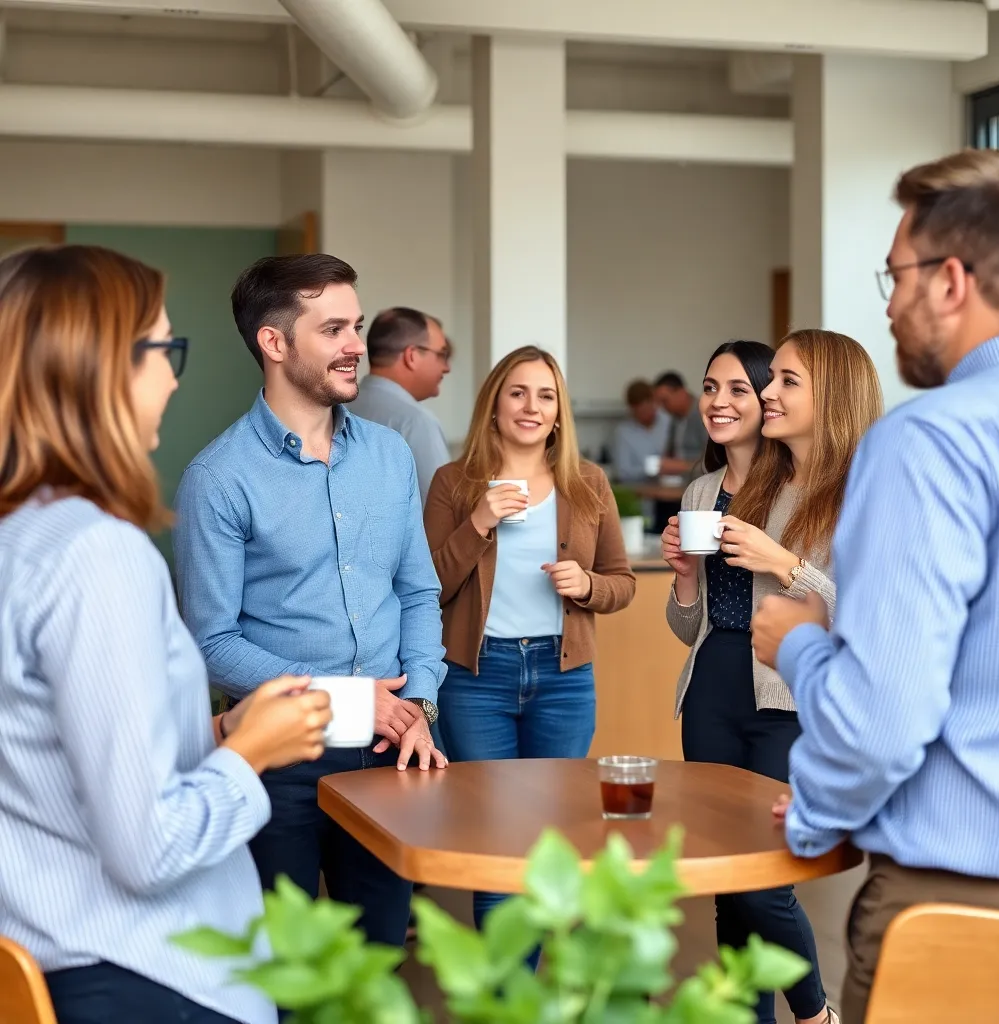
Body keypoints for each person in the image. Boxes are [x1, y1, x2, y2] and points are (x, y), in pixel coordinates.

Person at [0, 244, 334, 1024]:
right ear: (96, 367)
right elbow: (150, 848)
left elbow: (41, 753)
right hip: (147, 976)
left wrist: (218, 730)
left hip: (44, 959)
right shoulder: (96, 552)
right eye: (163, 348)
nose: (174, 377)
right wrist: (252, 754)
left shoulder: (20, 540)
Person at [751, 149, 999, 1024]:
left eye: (897, 274)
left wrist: (795, 640)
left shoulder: (929, 442)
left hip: (968, 910)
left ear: (951, 281)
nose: (889, 302)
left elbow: (882, 721)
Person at [173, 254, 447, 952]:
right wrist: (354, 698)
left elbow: (416, 589)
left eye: (356, 325)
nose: (356, 345)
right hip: (283, 757)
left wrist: (417, 703)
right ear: (274, 343)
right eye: (333, 329)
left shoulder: (388, 456)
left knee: (380, 954)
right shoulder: (219, 477)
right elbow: (213, 639)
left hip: (394, 751)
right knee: (289, 973)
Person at [663, 331, 883, 1024]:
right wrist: (684, 579)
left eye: (779, 382)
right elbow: (688, 624)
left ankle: (815, 1013)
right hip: (712, 690)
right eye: (771, 380)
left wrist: (780, 561)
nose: (759, 396)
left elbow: (862, 612)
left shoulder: (839, 491)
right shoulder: (727, 485)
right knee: (731, 881)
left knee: (766, 879)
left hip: (787, 695)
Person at [423, 344, 636, 942]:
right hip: (476, 679)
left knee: (556, 837)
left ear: (560, 413)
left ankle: (551, 992)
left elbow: (622, 584)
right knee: (498, 841)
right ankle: (510, 998)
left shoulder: (588, 484)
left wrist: (588, 585)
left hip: (563, 679)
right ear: (494, 405)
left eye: (546, 396)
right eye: (517, 392)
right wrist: (479, 522)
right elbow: (429, 587)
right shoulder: (454, 483)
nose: (531, 406)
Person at [347, 306, 452, 507]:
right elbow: (442, 511)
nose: (446, 367)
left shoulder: (338, 408)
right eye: (441, 354)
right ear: (411, 356)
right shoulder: (416, 423)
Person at [611, 378, 670, 482]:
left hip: (674, 489)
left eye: (649, 407)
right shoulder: (623, 433)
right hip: (641, 494)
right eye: (641, 411)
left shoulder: (668, 422)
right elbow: (622, 472)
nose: (647, 413)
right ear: (632, 409)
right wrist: (654, 469)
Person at [654, 369, 708, 473]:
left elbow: (715, 463)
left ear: (681, 393)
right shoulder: (675, 418)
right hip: (677, 482)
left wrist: (682, 466)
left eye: (665, 400)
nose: (662, 407)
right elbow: (670, 452)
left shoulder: (703, 414)